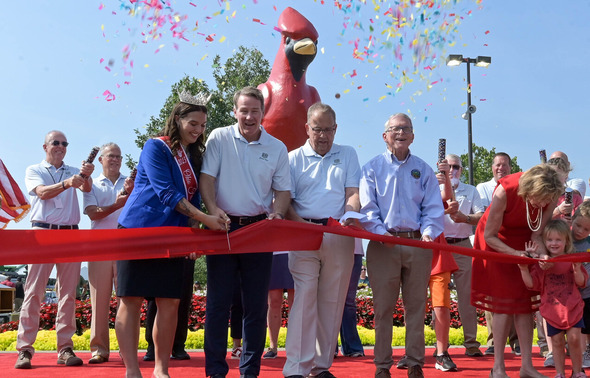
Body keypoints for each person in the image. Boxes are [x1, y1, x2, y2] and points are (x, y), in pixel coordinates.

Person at [115, 91, 227, 378]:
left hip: (175, 234)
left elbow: (199, 195)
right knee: (131, 298)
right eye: (193, 123)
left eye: (202, 125)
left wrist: (193, 233)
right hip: (138, 231)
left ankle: (161, 369)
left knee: (170, 301)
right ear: (177, 119)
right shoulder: (155, 147)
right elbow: (167, 193)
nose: (198, 130)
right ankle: (131, 370)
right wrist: (204, 220)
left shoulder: (196, 156)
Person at [200, 86, 291, 378]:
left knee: (255, 306)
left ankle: (250, 371)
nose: (249, 117)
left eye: (255, 111)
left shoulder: (277, 148)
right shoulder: (219, 137)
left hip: (258, 231)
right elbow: (206, 179)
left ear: (263, 113)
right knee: (217, 304)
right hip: (221, 229)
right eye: (244, 110)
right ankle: (215, 370)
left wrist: (277, 211)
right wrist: (212, 209)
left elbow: (283, 191)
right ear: (234, 111)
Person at [360, 113, 444, 378]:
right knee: (383, 308)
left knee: (416, 307)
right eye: (395, 129)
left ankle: (415, 363)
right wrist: (381, 232)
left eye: (406, 129)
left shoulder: (423, 169)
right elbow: (367, 208)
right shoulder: (372, 168)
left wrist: (429, 232)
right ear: (385, 136)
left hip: (417, 243)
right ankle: (382, 366)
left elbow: (433, 208)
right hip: (382, 244)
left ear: (413, 136)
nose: (400, 133)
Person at [282, 102, 361, 378]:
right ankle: (296, 368)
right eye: (318, 130)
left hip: (339, 234)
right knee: (304, 299)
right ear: (307, 128)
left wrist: (351, 213)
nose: (323, 136)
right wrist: (301, 224)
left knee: (332, 301)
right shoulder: (292, 158)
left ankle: (320, 367)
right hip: (303, 234)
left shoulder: (348, 154)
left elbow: (353, 193)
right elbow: (285, 201)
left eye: (329, 130)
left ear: (336, 129)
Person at [471, 164, 564, 378]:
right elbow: (490, 236)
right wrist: (514, 254)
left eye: (545, 201)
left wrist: (543, 256)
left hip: (525, 241)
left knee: (525, 304)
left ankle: (527, 367)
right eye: (538, 199)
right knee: (503, 304)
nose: (542, 204)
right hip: (497, 242)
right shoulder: (506, 190)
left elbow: (536, 236)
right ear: (529, 188)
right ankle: (498, 368)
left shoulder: (552, 192)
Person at [16, 130, 94, 369]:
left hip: (70, 233)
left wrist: (87, 177)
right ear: (45, 146)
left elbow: (87, 190)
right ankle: (25, 350)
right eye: (56, 143)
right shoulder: (35, 170)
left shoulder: (73, 171)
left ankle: (65, 348)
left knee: (68, 294)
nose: (60, 146)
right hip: (42, 232)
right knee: (33, 292)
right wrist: (67, 183)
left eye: (64, 143)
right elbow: (41, 193)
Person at [83, 142, 133, 364]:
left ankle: (126, 350)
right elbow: (93, 214)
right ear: (101, 159)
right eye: (110, 156)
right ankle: (99, 349)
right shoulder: (91, 185)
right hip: (100, 247)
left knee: (127, 300)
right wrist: (115, 205)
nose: (115, 160)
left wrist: (131, 195)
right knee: (99, 300)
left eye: (118, 157)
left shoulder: (131, 183)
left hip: (125, 246)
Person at [518, 220, 587, 378]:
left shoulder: (572, 258)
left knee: (575, 339)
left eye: (558, 240)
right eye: (549, 240)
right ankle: (560, 373)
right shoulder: (542, 263)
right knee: (556, 342)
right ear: (544, 242)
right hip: (552, 309)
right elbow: (531, 285)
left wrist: (576, 269)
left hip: (573, 307)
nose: (554, 243)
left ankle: (577, 372)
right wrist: (524, 268)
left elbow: (581, 282)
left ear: (566, 241)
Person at [475, 152, 521, 356]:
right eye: (497, 165)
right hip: (489, 244)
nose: (501, 168)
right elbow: (481, 217)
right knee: (493, 295)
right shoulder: (482, 188)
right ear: (491, 167)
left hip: (513, 244)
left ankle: (517, 341)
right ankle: (493, 341)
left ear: (510, 167)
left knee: (517, 293)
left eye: (505, 164)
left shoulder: (517, 188)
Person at [440, 154, 485, 357]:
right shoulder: (431, 187)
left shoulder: (471, 190)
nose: (452, 170)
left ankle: (471, 343)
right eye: (447, 166)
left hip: (463, 245)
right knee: (439, 298)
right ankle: (441, 347)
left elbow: (482, 217)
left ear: (462, 170)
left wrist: (464, 218)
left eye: (456, 166)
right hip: (439, 246)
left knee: (466, 297)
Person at [143, 259, 195, 362]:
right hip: (159, 250)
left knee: (183, 296)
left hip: (184, 250)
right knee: (155, 297)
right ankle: (152, 347)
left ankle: (178, 345)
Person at [336, 239, 365, 359]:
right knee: (330, 299)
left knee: (349, 301)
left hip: (355, 250)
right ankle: (328, 347)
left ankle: (352, 347)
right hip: (330, 247)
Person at [264, 251, 294, 360]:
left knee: (294, 303)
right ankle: (273, 347)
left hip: (294, 252)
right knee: (274, 301)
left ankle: (294, 346)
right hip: (274, 252)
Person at [571, 201, 590, 369]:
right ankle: (581, 354)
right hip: (569, 293)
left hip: (588, 291)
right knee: (577, 328)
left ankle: (588, 352)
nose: (580, 231)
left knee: (588, 326)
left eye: (587, 229)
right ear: (573, 219)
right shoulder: (563, 237)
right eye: (578, 226)